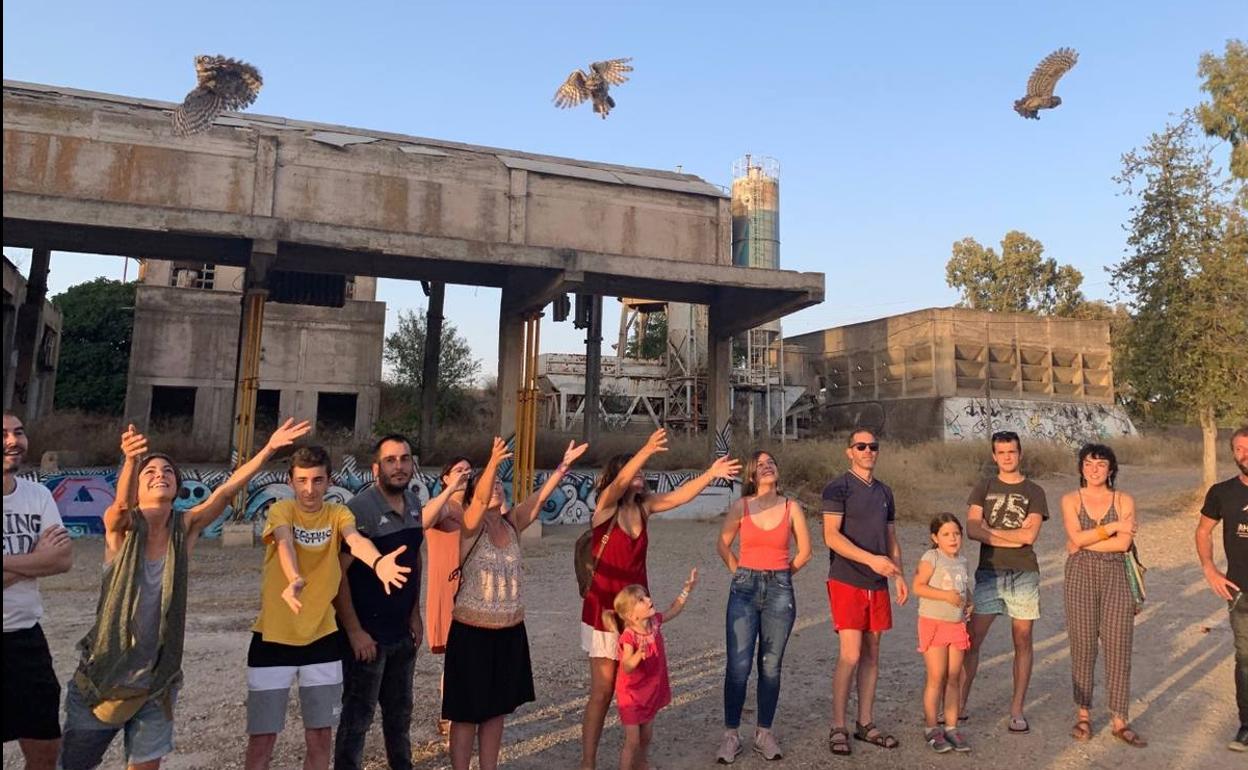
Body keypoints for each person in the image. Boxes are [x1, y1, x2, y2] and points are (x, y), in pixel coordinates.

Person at [61, 419, 310, 770]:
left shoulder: (185, 528)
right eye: (150, 471)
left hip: (157, 682)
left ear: (177, 485)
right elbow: (119, 509)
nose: (160, 474)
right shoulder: (123, 530)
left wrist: (269, 448)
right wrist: (131, 460)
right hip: (104, 678)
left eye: (167, 471)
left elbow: (226, 491)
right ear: (138, 486)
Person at [579, 428, 740, 770]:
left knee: (640, 686)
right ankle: (587, 763)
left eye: (641, 470)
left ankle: (638, 760)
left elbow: (680, 497)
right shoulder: (605, 508)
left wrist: (711, 473)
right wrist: (646, 449)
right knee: (603, 692)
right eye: (634, 470)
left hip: (639, 614)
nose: (640, 474)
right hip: (604, 612)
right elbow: (618, 484)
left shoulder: (645, 507)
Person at [244, 445, 411, 770]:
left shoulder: (338, 514)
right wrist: (294, 578)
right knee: (262, 740)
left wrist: (378, 563)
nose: (310, 489)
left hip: (322, 641)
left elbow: (355, 540)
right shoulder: (281, 510)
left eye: (317, 480)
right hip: (272, 640)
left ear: (329, 481)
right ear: (290, 481)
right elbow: (284, 541)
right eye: (302, 480)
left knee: (320, 737)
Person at [443, 438, 587, 770]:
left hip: (509, 631)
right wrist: (493, 461)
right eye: (489, 485)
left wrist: (564, 466)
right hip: (472, 632)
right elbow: (480, 500)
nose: (495, 488)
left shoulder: (512, 523)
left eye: (498, 484)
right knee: (465, 714)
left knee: (496, 711)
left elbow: (540, 499)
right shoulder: (469, 527)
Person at [332, 435, 425, 770]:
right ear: (376, 469)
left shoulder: (414, 503)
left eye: (405, 459)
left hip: (401, 633)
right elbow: (338, 575)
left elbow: (415, 559)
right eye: (390, 460)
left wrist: (415, 614)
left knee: (400, 715)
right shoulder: (359, 510)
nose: (399, 466)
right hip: (368, 638)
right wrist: (355, 631)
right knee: (357, 718)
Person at [714, 450, 812, 763]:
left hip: (779, 590)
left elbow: (805, 551)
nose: (767, 466)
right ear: (752, 476)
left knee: (770, 666)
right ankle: (731, 735)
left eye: (771, 462)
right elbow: (723, 543)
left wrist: (781, 577)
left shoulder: (791, 507)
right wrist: (740, 573)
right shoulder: (741, 506)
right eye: (760, 465)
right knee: (738, 666)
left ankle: (763, 733)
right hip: (744, 588)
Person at [822, 428, 908, 757]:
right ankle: (838, 724)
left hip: (878, 582)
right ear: (850, 451)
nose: (868, 451)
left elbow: (891, 537)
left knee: (873, 652)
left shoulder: (885, 491)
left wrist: (898, 574)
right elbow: (831, 536)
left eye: (873, 446)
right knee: (851, 653)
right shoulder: (838, 487)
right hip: (847, 578)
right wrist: (871, 559)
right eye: (861, 446)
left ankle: (865, 722)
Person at [959, 430, 1049, 734]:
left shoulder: (1034, 491)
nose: (1007, 457)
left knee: (1022, 640)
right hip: (990, 572)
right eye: (1001, 452)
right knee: (972, 640)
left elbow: (1029, 536)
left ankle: (1016, 709)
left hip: (1023, 573)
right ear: (994, 456)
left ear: (1019, 454)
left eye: (1012, 451)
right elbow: (972, 529)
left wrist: (992, 532)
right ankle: (959, 705)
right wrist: (1012, 536)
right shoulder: (983, 487)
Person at [1060, 443, 1146, 748]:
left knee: (1118, 645)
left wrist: (1084, 542)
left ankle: (1120, 718)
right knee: (1082, 644)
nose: (1094, 470)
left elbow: (1122, 545)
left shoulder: (1124, 499)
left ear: (1111, 469)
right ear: (1080, 468)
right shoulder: (1071, 499)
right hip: (1080, 575)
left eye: (1100, 464)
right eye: (1088, 464)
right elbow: (1075, 536)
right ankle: (1083, 713)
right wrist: (1113, 526)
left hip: (1116, 575)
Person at [3, 411, 73, 770]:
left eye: (19, 432)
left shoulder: (38, 495)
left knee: (46, 748)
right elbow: (46, 559)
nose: (13, 441)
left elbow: (61, 560)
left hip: (26, 638)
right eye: (3, 434)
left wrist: (13, 563)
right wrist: (35, 558)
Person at [605, 570, 699, 770]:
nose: (648, 599)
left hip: (650, 689)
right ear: (632, 615)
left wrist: (686, 590)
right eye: (641, 599)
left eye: (646, 596)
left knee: (646, 735)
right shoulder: (629, 636)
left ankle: (641, 763)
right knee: (632, 741)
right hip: (631, 694)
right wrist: (638, 655)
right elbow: (626, 666)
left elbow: (674, 610)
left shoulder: (654, 621)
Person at [1196, 425, 1248, 753]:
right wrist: (1209, 569)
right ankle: (1247, 725)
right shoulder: (1221, 492)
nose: (1245, 454)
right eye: (1239, 449)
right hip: (1241, 591)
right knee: (1246, 658)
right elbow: (1203, 531)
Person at [911, 513, 973, 754]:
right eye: (946, 534)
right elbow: (918, 586)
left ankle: (951, 726)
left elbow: (963, 587)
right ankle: (931, 727)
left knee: (954, 676)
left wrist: (969, 601)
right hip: (934, 624)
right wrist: (945, 596)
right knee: (936, 676)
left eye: (956, 533)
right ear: (935, 538)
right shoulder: (932, 557)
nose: (953, 538)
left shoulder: (963, 561)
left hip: (956, 625)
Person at [421, 455, 472, 736]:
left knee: (471, 654)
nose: (465, 473)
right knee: (455, 654)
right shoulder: (443, 506)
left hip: (473, 587)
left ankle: (464, 708)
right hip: (448, 589)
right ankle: (449, 713)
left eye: (468, 469)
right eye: (458, 470)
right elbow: (424, 520)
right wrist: (451, 490)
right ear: (445, 477)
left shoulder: (473, 508)